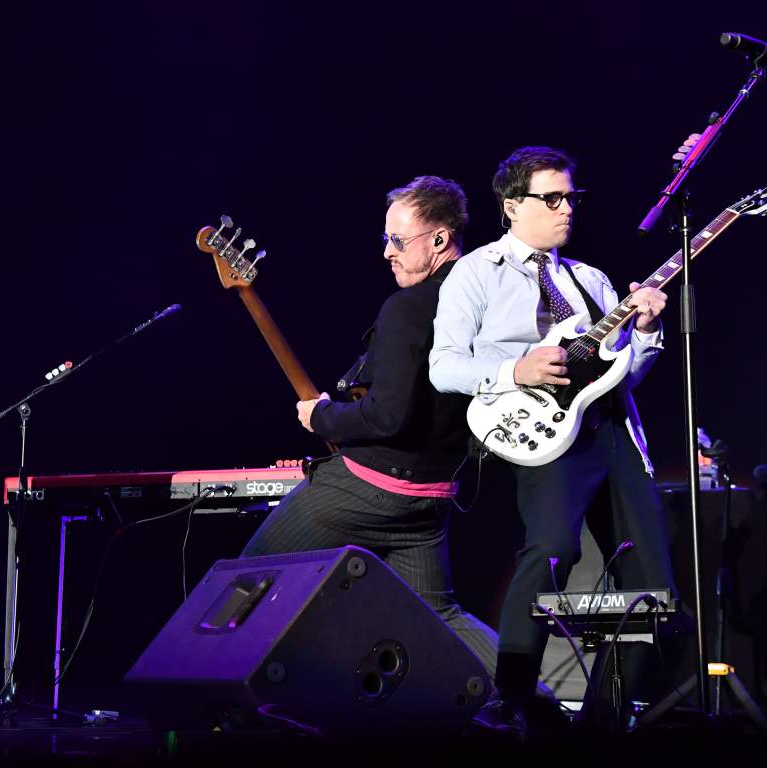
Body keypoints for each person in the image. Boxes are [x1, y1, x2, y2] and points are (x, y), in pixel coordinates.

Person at [428, 146, 677, 735]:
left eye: (573, 197)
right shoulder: (476, 272)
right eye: (553, 198)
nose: (568, 209)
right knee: (549, 553)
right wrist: (517, 370)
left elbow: (622, 373)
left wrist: (645, 331)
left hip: (612, 431)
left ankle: (605, 719)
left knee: (653, 584)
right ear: (512, 206)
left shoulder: (591, 280)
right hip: (543, 433)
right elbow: (443, 367)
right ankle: (509, 697)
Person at [240, 176, 499, 677]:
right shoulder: (484, 300)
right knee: (441, 617)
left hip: (366, 490)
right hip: (431, 500)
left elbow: (387, 416)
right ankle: (545, 708)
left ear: (440, 240)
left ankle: (209, 718)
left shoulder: (408, 307)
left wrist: (323, 416)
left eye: (399, 241)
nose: (387, 252)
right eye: (386, 239)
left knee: (250, 583)